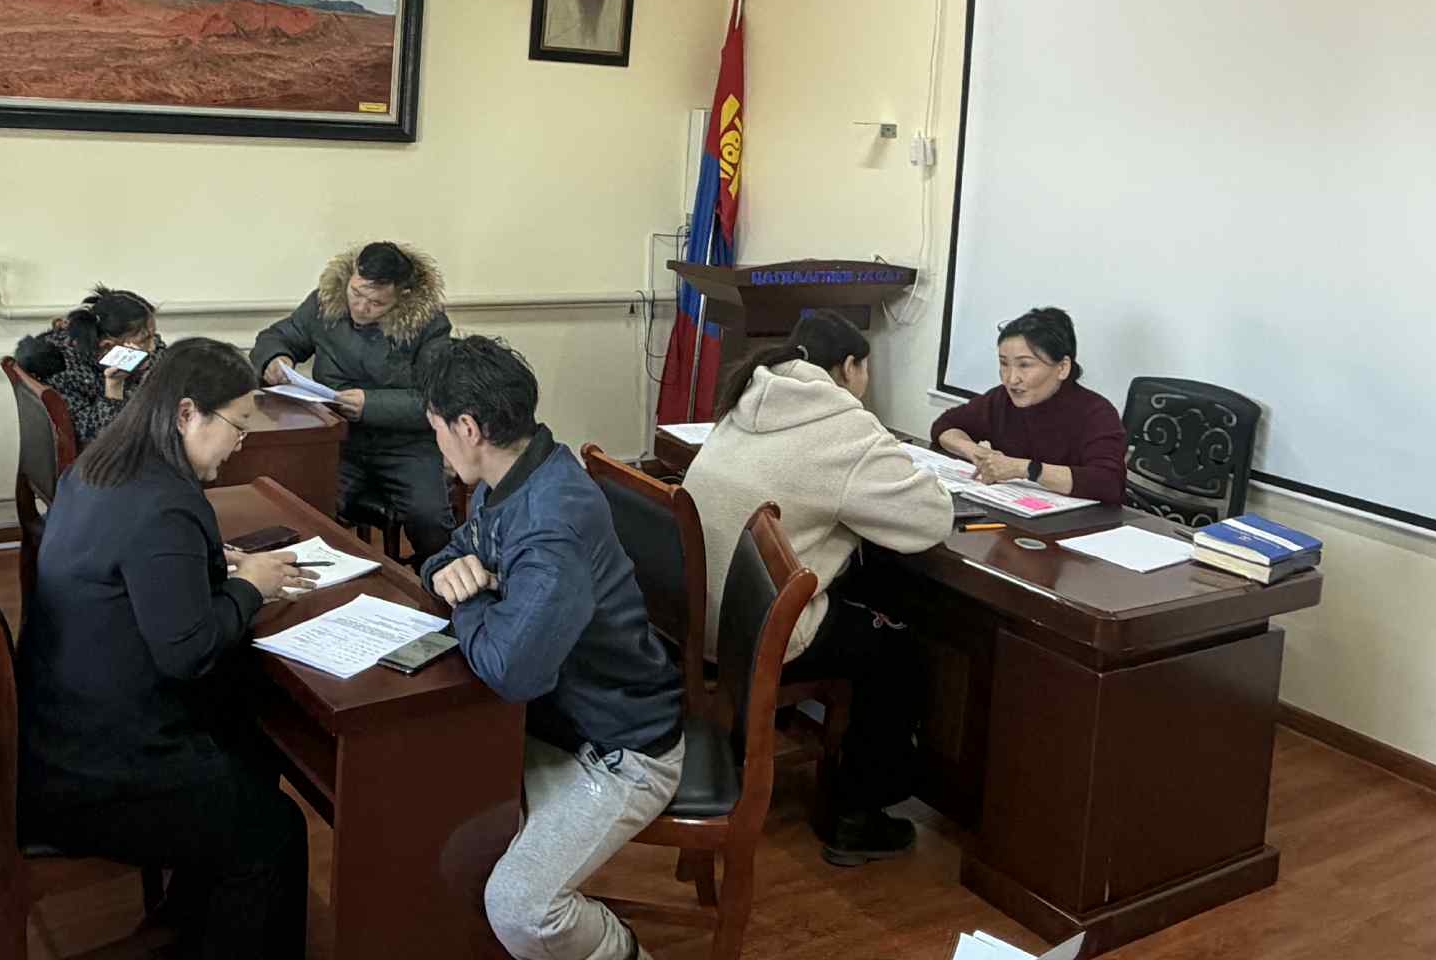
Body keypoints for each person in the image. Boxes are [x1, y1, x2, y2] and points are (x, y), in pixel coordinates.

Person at [16, 337, 314, 958]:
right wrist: (250, 586)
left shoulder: (100, 466)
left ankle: (193, 920)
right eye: (237, 425)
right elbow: (189, 651)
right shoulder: (165, 504)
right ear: (185, 414)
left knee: (249, 747)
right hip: (98, 772)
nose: (241, 443)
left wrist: (208, 565)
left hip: (53, 729)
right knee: (276, 832)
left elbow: (136, 570)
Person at [419, 337, 684, 960]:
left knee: (521, 910)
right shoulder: (512, 475)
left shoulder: (551, 521)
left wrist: (469, 601)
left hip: (617, 749)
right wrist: (444, 573)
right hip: (555, 723)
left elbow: (513, 671)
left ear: (468, 428)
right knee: (424, 788)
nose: (437, 444)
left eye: (437, 430)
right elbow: (456, 553)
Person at [681, 309, 953, 866]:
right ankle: (858, 816)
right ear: (850, 367)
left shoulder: (749, 394)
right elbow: (930, 518)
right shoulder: (843, 424)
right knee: (895, 650)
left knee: (866, 596)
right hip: (761, 634)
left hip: (696, 617)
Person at [251, 241, 455, 560]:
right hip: (337, 438)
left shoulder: (429, 324)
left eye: (376, 303)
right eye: (356, 293)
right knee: (306, 506)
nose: (360, 307)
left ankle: (436, 582)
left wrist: (369, 405)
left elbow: (435, 400)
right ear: (350, 276)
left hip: (405, 445)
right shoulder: (325, 303)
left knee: (430, 519)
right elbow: (276, 337)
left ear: (403, 296)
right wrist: (275, 359)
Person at [930, 306, 1126, 504]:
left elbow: (1108, 483)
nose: (1011, 379)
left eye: (1024, 365)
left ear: (1062, 368)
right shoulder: (1002, 399)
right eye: (1004, 364)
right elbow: (945, 425)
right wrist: (977, 453)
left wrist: (1026, 469)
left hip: (1080, 519)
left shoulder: (1096, 413)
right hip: (1014, 509)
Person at [14, 285, 164, 446]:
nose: (152, 347)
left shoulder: (134, 345)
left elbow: (160, 354)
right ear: (107, 346)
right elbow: (98, 440)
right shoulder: (61, 370)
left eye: (153, 336)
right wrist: (114, 386)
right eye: (145, 340)